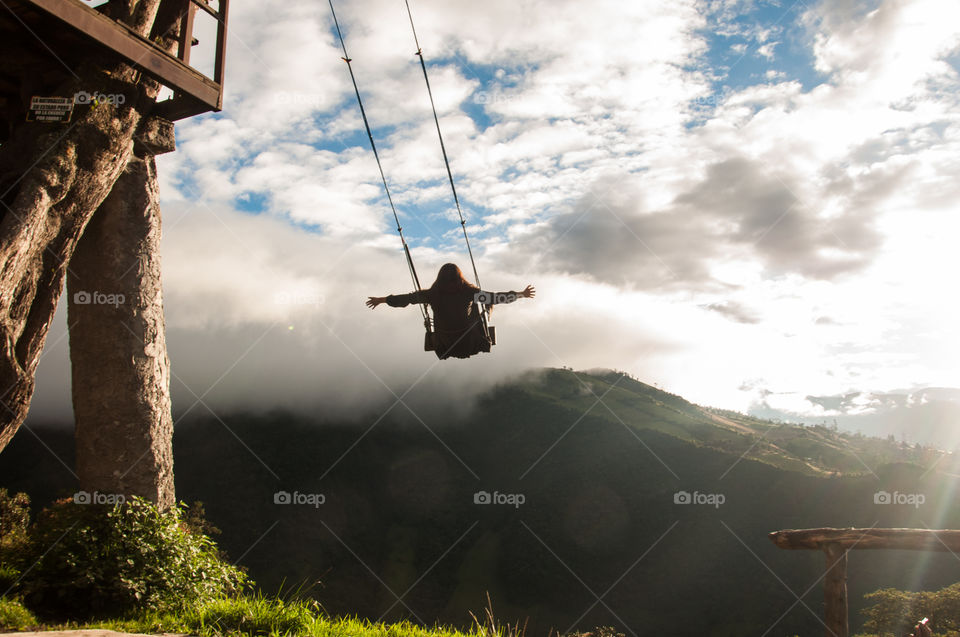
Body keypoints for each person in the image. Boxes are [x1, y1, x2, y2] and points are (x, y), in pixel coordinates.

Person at [367, 263, 535, 359]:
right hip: (471, 342)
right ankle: (483, 327)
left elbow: (406, 299)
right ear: (459, 276)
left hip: (445, 345)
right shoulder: (468, 292)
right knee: (485, 302)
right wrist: (521, 295)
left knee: (479, 301)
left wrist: (381, 300)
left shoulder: (432, 294)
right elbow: (496, 297)